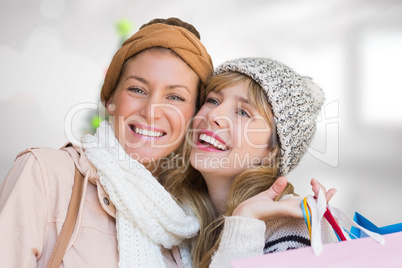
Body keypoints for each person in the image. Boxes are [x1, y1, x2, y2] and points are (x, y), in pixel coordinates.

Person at [0, 17, 213, 267]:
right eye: (137, 90)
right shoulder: (45, 174)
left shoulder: (192, 220)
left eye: (175, 97)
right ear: (110, 98)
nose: (152, 111)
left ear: (195, 115)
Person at [162, 57, 337, 267]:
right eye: (213, 100)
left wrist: (245, 222)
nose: (214, 114)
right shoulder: (179, 218)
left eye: (243, 112)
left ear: (272, 152)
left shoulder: (293, 229)